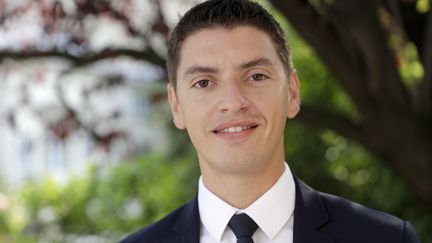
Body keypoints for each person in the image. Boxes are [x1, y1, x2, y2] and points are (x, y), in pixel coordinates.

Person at [120, 0, 420, 242]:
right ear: (176, 106)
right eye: (204, 82)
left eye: (256, 76)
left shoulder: (387, 238)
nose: (233, 101)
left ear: (291, 92)